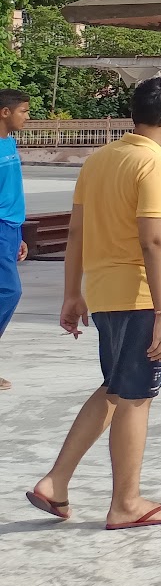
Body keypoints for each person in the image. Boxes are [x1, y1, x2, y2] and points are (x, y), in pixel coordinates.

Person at [27, 76, 161, 530]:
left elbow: (75, 232)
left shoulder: (99, 160)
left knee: (116, 389)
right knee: (136, 397)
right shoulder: (153, 164)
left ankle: (56, 482)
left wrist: (72, 292)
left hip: (103, 293)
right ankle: (126, 504)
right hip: (143, 296)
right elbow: (155, 239)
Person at [0, 89, 31, 391]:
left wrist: (18, 234)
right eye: (23, 110)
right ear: (4, 112)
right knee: (9, 292)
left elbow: (12, 193)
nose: (27, 116)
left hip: (10, 230)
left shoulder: (9, 143)